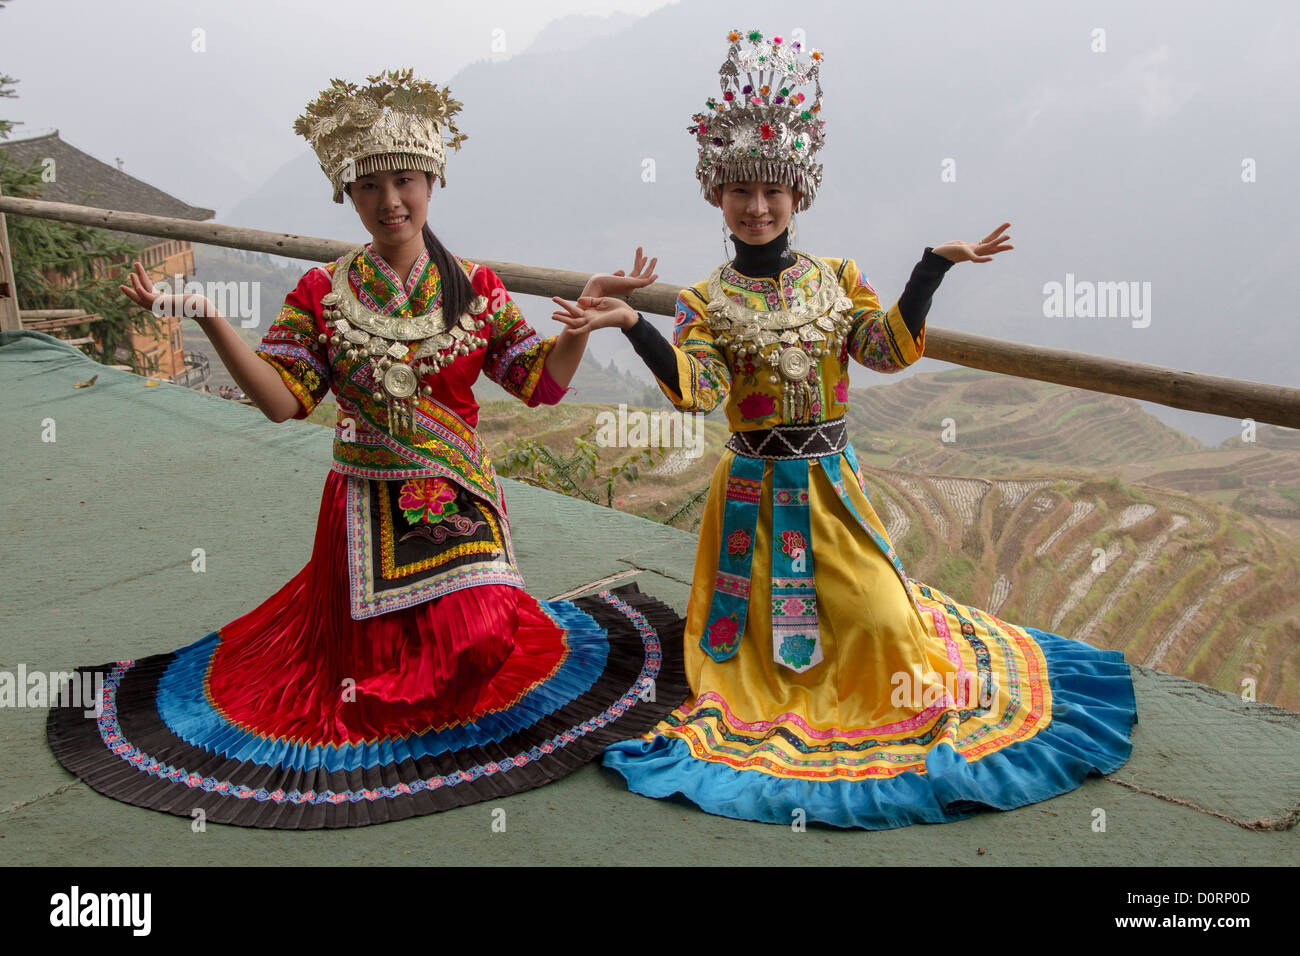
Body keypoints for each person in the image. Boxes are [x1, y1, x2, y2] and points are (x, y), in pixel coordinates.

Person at [46, 68, 686, 829]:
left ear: (433, 179)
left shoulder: (475, 287)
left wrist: (578, 330)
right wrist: (208, 316)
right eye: (369, 186)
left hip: (458, 499)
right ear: (347, 196)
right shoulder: (322, 293)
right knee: (368, 682)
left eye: (406, 180)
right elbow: (285, 404)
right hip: (363, 509)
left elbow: (537, 385)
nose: (391, 201)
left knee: (482, 644)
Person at [553, 32, 1137, 829]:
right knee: (753, 661)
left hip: (832, 490)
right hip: (753, 506)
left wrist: (932, 266)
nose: (757, 207)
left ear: (799, 194)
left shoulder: (838, 280)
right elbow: (699, 393)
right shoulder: (701, 302)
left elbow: (887, 350)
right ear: (715, 196)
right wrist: (633, 324)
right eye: (740, 192)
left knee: (887, 627)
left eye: (773, 192)